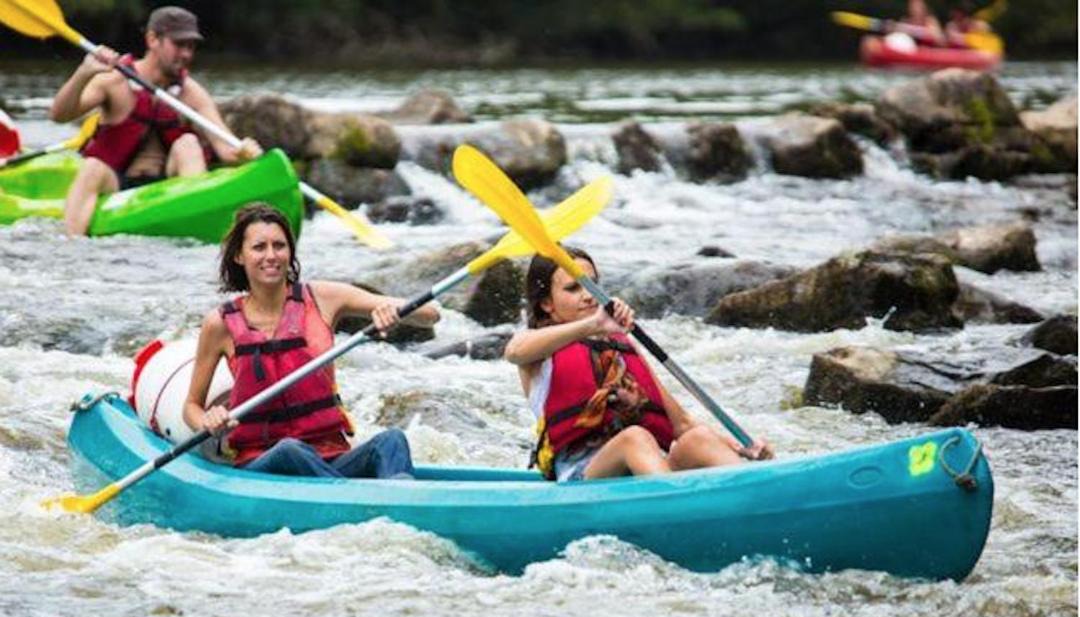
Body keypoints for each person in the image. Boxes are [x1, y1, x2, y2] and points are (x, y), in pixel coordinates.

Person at [183, 202, 441, 478]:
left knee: (392, 441)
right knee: (290, 451)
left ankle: (400, 501)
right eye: (259, 247)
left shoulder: (323, 298)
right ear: (239, 256)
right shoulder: (220, 323)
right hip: (264, 464)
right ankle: (357, 501)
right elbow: (191, 407)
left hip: (331, 458)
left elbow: (430, 315)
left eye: (279, 246)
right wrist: (207, 420)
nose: (271, 255)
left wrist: (393, 313)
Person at [503, 246, 773, 482]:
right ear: (547, 304)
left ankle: (755, 491)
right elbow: (514, 351)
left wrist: (740, 447)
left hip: (645, 471)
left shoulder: (619, 344)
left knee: (697, 438)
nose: (587, 295)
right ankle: (680, 514)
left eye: (591, 284)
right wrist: (593, 324)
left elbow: (682, 424)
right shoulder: (538, 351)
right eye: (573, 288)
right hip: (581, 475)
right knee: (635, 437)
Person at [48, 6, 262, 236]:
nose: (186, 54)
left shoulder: (192, 93)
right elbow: (60, 115)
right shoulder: (114, 81)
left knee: (188, 144)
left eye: (191, 46)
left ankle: (194, 223)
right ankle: (70, 243)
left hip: (167, 187)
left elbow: (225, 147)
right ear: (152, 39)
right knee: (92, 166)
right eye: (179, 44)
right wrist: (84, 73)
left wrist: (244, 151)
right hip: (117, 183)